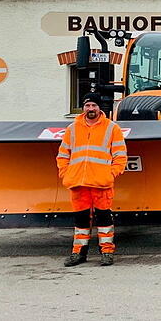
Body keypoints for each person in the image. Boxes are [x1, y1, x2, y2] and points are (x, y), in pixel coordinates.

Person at [56, 93, 128, 266]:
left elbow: (120, 155)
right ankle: (79, 253)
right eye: (87, 106)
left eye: (94, 106)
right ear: (83, 107)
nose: (90, 109)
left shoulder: (112, 128)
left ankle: (107, 253)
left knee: (104, 220)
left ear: (99, 107)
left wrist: (111, 174)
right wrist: (65, 174)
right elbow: (63, 154)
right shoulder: (72, 129)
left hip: (101, 183)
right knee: (80, 221)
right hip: (78, 183)